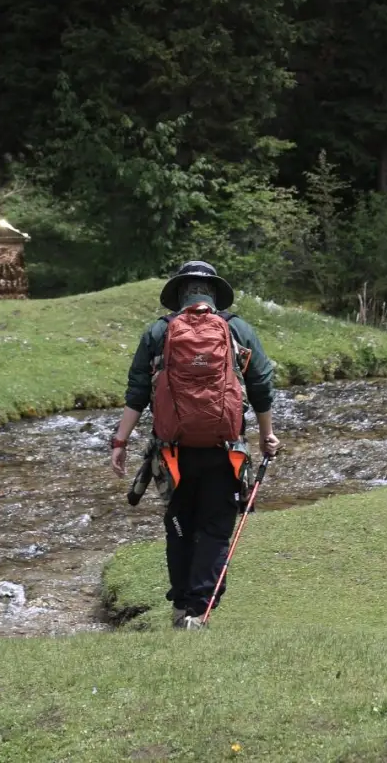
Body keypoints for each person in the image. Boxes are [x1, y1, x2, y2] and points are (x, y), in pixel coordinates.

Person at [110, 260, 280, 628]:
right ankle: (199, 612)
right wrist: (267, 435)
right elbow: (261, 385)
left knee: (179, 526)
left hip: (173, 453)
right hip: (226, 451)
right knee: (215, 529)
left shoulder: (158, 332)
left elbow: (137, 391)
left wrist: (119, 442)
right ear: (215, 293)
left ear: (179, 294)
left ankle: (180, 606)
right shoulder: (238, 330)